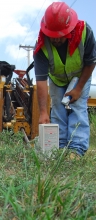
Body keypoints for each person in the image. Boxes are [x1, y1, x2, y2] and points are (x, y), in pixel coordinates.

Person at [33, 2, 96, 157]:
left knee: (78, 107)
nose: (55, 40)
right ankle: (59, 148)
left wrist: (78, 88)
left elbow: (91, 62)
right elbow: (41, 80)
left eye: (59, 36)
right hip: (56, 79)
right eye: (52, 36)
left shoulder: (85, 32)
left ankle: (76, 150)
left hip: (80, 77)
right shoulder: (40, 46)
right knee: (57, 110)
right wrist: (42, 112)